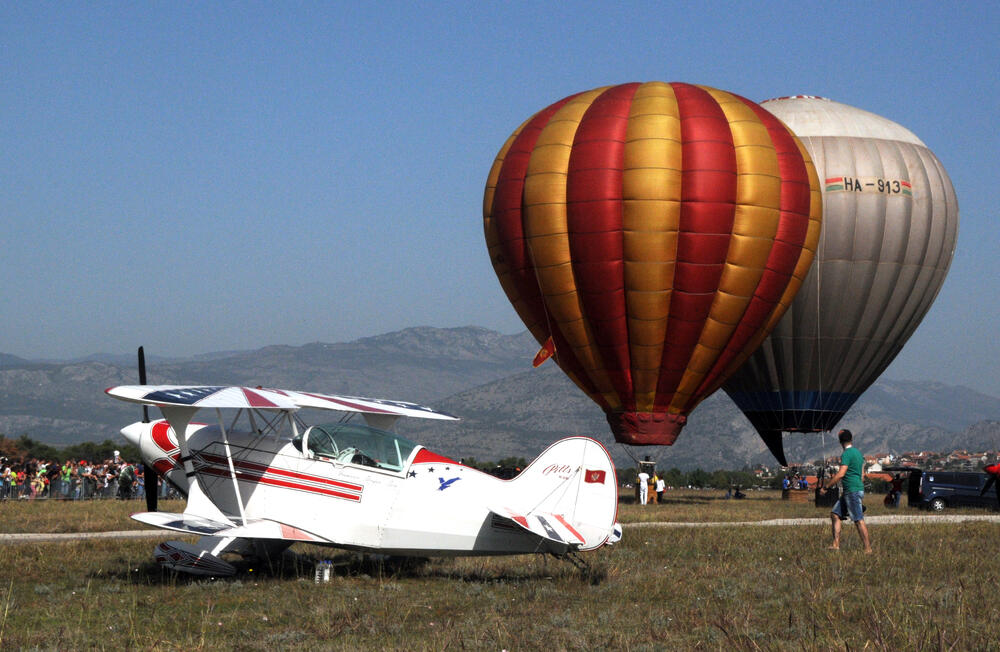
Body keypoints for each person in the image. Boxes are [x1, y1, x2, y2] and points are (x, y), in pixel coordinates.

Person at [819, 429, 872, 553]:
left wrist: (826, 487)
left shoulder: (846, 454)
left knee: (858, 519)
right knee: (835, 514)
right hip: (854, 489)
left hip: (852, 491)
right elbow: (862, 475)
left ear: (840, 442)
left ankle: (868, 548)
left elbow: (841, 474)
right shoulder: (858, 453)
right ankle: (835, 544)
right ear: (851, 439)